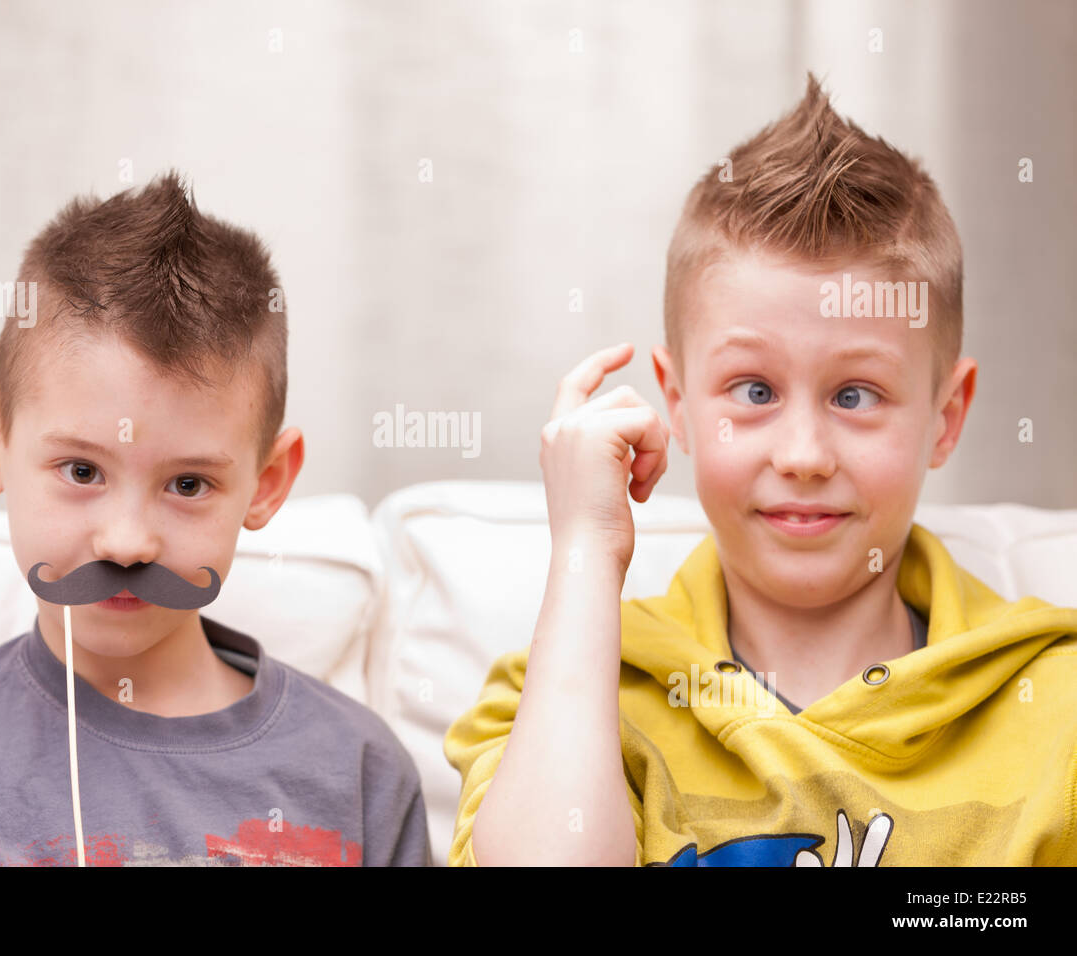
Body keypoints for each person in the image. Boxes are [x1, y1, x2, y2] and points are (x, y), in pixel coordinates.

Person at [443, 74, 1077, 866]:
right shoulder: (572, 693)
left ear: (944, 418)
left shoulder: (1056, 706)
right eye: (754, 391)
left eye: (855, 394)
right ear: (676, 404)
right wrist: (583, 550)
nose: (803, 456)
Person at [0, 170, 429, 866]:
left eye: (188, 483)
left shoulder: (361, 771)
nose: (129, 542)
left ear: (266, 484)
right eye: (82, 472)